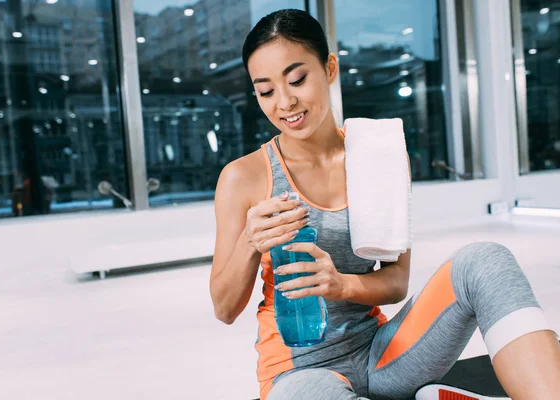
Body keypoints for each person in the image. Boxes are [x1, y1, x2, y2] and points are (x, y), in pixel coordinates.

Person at [209, 9, 560, 400]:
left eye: (297, 79)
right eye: (266, 90)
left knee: (485, 260)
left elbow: (396, 282)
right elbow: (224, 309)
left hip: (381, 355)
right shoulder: (245, 177)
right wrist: (249, 241)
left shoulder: (379, 158)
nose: (286, 102)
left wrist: (339, 284)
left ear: (329, 69)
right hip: (299, 372)